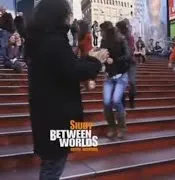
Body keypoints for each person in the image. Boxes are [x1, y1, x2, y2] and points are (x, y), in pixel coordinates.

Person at [25, 0, 106, 179]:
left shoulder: (40, 41)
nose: (70, 19)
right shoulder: (54, 41)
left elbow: (65, 69)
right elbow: (74, 70)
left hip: (47, 114)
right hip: (57, 116)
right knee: (53, 166)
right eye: (67, 14)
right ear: (59, 16)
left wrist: (88, 61)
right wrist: (96, 60)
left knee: (52, 163)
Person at [100, 21, 131, 139]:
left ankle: (122, 128)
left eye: (102, 31)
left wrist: (115, 60)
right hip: (109, 76)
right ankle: (112, 127)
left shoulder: (121, 40)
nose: (101, 33)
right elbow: (103, 56)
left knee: (116, 100)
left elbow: (128, 56)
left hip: (121, 76)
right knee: (107, 102)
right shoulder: (103, 42)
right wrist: (102, 58)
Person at [116, 19, 137, 109]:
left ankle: (132, 100)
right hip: (120, 63)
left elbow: (131, 50)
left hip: (130, 63)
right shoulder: (116, 38)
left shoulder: (130, 37)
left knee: (132, 82)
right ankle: (122, 102)